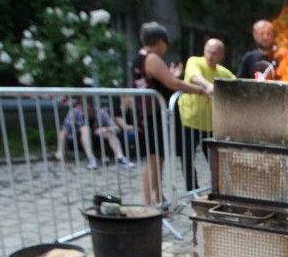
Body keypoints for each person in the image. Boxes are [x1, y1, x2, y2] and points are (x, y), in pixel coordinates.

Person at [131, 21, 207, 206]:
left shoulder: (139, 59)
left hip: (149, 113)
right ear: (160, 42)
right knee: (154, 161)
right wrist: (198, 90)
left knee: (157, 159)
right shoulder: (152, 58)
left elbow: (163, 80)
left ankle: (158, 198)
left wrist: (171, 74)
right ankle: (150, 204)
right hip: (155, 114)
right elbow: (173, 84)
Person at [177, 38, 235, 192]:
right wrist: (209, 86)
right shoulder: (194, 61)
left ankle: (219, 189)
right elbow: (194, 76)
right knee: (187, 159)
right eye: (208, 51)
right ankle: (192, 190)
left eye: (215, 53)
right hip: (188, 121)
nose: (210, 56)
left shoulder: (223, 72)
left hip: (210, 125)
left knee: (214, 159)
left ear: (222, 55)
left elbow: (236, 85)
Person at [54, 99, 132, 170]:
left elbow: (117, 128)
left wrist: (105, 129)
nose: (87, 110)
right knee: (84, 128)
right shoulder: (74, 112)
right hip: (77, 141)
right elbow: (63, 132)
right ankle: (91, 159)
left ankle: (120, 157)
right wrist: (59, 151)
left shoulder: (101, 112)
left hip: (97, 141)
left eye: (89, 107)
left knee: (108, 133)